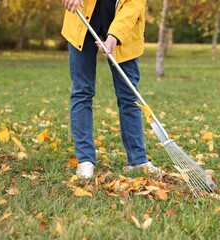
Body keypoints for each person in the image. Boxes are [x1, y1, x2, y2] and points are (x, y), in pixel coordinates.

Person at [61, 0, 164, 178]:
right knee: (82, 92)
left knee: (129, 96)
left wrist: (114, 35)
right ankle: (85, 160)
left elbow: (134, 4)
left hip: (124, 26)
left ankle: (138, 161)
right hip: (81, 17)